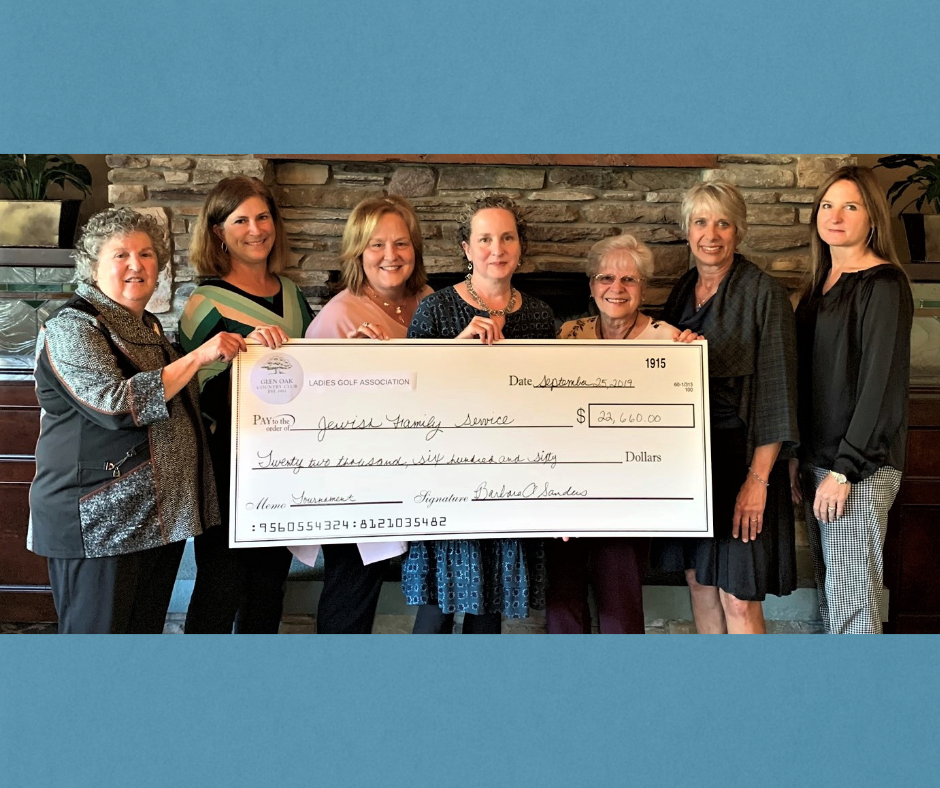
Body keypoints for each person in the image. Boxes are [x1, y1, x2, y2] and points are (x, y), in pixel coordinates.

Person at [29, 208, 246, 633]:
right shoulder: (73, 327)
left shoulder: (145, 326)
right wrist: (199, 355)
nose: (136, 265)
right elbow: (116, 405)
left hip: (151, 520)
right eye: (121, 255)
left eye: (146, 255)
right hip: (99, 524)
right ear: (93, 267)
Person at [402, 194, 555, 633]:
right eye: (484, 238)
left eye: (507, 237)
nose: (497, 248)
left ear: (520, 246)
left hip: (513, 483)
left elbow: (551, 406)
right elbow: (407, 400)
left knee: (489, 607)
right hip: (448, 484)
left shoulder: (541, 317)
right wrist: (456, 350)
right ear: (466, 249)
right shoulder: (436, 310)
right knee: (435, 611)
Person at [654, 181, 799, 634]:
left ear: (739, 231)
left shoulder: (764, 294)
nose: (710, 234)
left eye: (723, 223)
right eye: (701, 222)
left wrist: (758, 482)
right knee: (699, 583)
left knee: (738, 597)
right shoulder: (682, 292)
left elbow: (779, 391)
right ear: (686, 229)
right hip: (694, 465)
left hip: (745, 461)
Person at [180, 176, 314, 634]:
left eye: (263, 217)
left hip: (283, 465)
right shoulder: (204, 303)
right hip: (226, 469)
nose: (255, 229)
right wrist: (249, 357)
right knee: (221, 586)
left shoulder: (293, 295)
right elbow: (188, 395)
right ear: (218, 231)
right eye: (240, 220)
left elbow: (310, 372)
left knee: (268, 587)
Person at [295, 195, 433, 633]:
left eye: (401, 243)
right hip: (355, 484)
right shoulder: (339, 316)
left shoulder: (429, 300)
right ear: (357, 251)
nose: (390, 256)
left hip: (417, 474)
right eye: (376, 245)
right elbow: (308, 416)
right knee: (353, 589)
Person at [551, 234, 697, 634]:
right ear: (592, 286)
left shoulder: (668, 340)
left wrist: (692, 362)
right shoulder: (567, 335)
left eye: (629, 280)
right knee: (562, 601)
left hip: (632, 494)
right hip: (570, 491)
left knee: (621, 604)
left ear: (644, 289)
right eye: (605, 278)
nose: (616, 288)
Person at [792, 166, 913, 634]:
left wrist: (845, 469)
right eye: (827, 205)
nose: (835, 216)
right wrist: (796, 457)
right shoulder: (819, 282)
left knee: (854, 606)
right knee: (833, 598)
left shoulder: (883, 284)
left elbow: (879, 385)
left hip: (858, 469)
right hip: (819, 463)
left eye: (850, 206)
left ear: (873, 218)